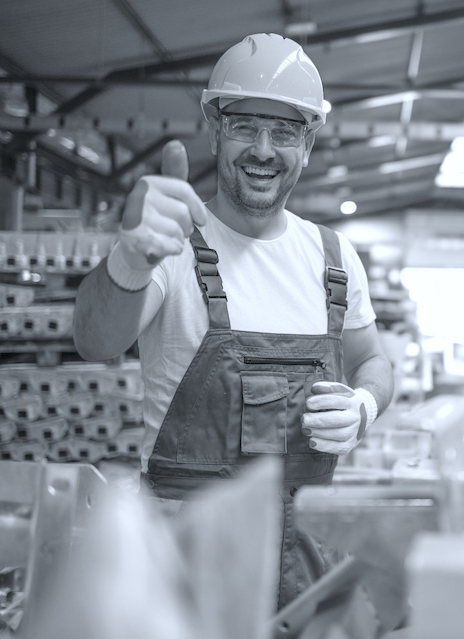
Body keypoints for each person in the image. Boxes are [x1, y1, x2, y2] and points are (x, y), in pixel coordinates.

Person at [72, 33, 394, 608]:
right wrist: (129, 258)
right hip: (187, 570)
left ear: (309, 143)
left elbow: (374, 359)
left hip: (311, 569)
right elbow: (94, 341)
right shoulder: (171, 246)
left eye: (285, 132)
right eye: (245, 126)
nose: (263, 150)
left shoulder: (334, 258)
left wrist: (365, 405)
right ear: (215, 129)